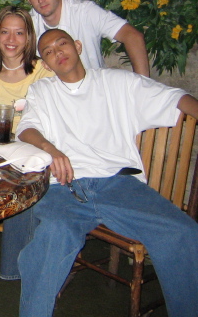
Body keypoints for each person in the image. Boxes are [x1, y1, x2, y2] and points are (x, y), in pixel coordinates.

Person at [15, 28, 198, 317]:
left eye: (61, 44)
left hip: (120, 185)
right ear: (46, 64)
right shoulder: (43, 91)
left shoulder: (117, 82)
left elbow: (174, 98)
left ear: (77, 46)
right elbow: (26, 129)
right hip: (66, 185)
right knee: (52, 237)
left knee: (183, 233)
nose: (57, 52)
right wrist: (52, 149)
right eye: (48, 51)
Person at [0, 6, 53, 280]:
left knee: (21, 186)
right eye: (5, 31)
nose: (12, 38)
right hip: (6, 153)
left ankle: (15, 270)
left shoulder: (43, 72)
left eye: (19, 32)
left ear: (29, 37)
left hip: (38, 153)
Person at [23, 0, 150, 77]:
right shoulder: (27, 25)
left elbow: (132, 36)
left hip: (96, 90)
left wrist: (142, 87)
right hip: (56, 96)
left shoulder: (84, 11)